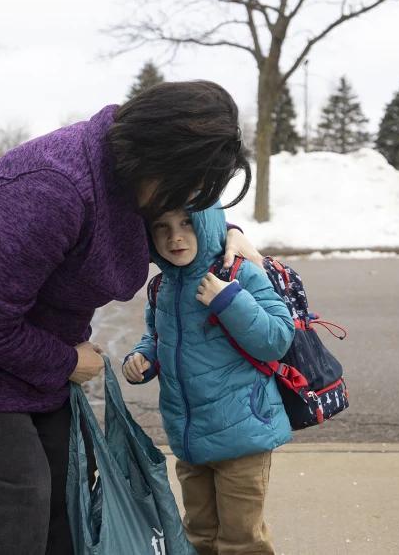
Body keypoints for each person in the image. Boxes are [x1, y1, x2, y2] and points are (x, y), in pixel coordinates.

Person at [0, 80, 263, 555]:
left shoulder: (134, 180)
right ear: (158, 158)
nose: (189, 196)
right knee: (20, 491)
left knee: (67, 481)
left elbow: (179, 227)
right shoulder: (53, 189)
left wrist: (228, 235)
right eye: (189, 183)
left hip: (30, 342)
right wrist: (67, 361)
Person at [122, 204, 294, 555]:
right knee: (198, 535)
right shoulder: (162, 287)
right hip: (190, 438)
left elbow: (276, 338)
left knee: (241, 540)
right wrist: (142, 358)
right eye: (162, 226)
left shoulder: (239, 275)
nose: (176, 236)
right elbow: (157, 336)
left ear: (208, 224)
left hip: (243, 436)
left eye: (187, 222)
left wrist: (228, 300)